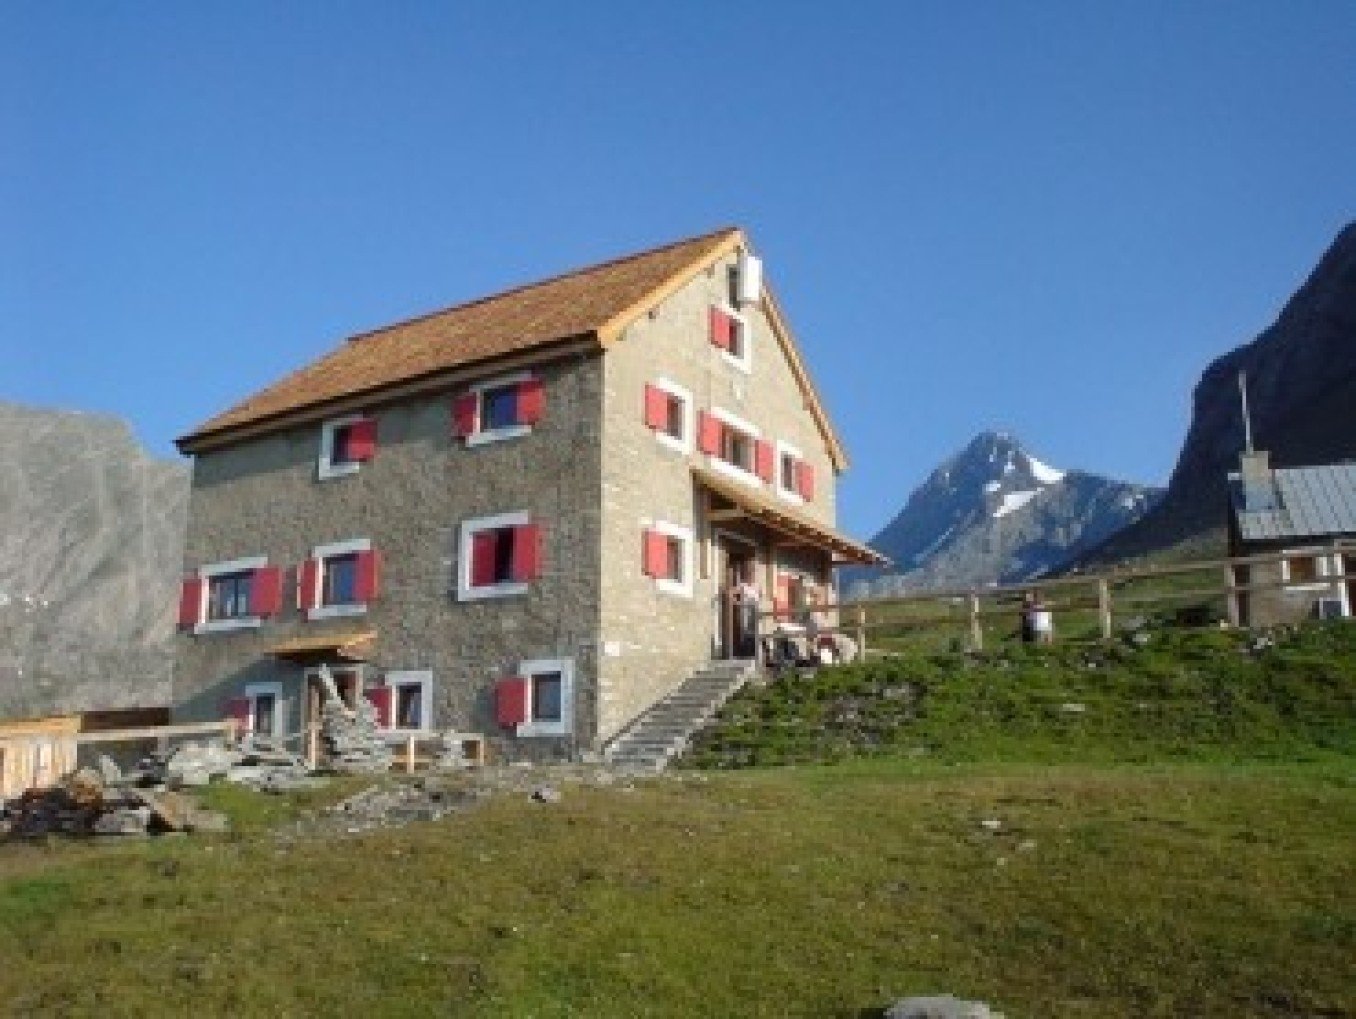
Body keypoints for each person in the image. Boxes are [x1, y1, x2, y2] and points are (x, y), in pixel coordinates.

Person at [734, 568, 760, 659]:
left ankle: (753, 652)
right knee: (745, 631)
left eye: (753, 575)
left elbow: (759, 598)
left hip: (754, 611)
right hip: (745, 611)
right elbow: (732, 593)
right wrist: (737, 603)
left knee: (754, 631)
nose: (752, 577)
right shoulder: (742, 586)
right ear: (747, 575)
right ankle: (745, 653)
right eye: (750, 574)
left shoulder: (756, 586)